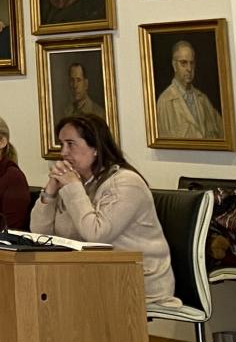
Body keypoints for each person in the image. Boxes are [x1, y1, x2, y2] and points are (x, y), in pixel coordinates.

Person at [32, 114, 176, 306]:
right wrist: (50, 192)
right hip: (89, 277)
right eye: (61, 144)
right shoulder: (77, 182)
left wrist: (73, 188)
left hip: (137, 285)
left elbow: (96, 235)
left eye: (71, 144)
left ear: (95, 149)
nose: (64, 152)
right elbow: (40, 234)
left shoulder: (126, 183)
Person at [155, 40, 223, 142]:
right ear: (174, 65)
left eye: (192, 63)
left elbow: (223, 133)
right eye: (184, 63)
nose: (189, 68)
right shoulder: (165, 102)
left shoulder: (203, 99)